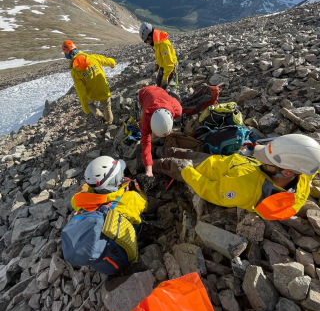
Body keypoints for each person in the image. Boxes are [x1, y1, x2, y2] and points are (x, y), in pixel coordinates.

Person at [151, 134, 320, 220]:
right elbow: (312, 163)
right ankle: (155, 150)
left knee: (170, 163)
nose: (260, 160)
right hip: (220, 162)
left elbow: (212, 191)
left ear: (286, 173)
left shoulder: (248, 190)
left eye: (266, 161)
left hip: (202, 171)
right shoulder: (302, 176)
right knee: (183, 153)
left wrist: (187, 171)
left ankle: (148, 164)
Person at [71, 156, 148, 224]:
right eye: (120, 172)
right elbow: (145, 206)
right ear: (114, 181)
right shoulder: (131, 198)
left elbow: (84, 188)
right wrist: (138, 189)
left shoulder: (77, 200)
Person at [62, 40, 116, 125]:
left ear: (67, 54)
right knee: (107, 108)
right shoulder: (93, 57)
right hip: (104, 90)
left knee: (90, 104)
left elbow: (81, 91)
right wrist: (112, 64)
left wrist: (85, 109)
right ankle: (109, 123)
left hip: (92, 94)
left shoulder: (75, 71)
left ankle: (101, 118)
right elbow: (109, 61)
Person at [138, 86, 182, 178]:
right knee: (148, 138)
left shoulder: (178, 110)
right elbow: (145, 144)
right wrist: (148, 170)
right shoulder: (146, 118)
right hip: (144, 93)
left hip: (160, 91)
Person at [139, 22, 178, 90]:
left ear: (149, 37)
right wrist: (157, 64)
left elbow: (170, 64)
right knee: (158, 83)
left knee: (162, 89)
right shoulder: (157, 42)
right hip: (163, 66)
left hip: (169, 69)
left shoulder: (163, 44)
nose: (147, 43)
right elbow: (159, 55)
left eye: (146, 41)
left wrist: (165, 78)